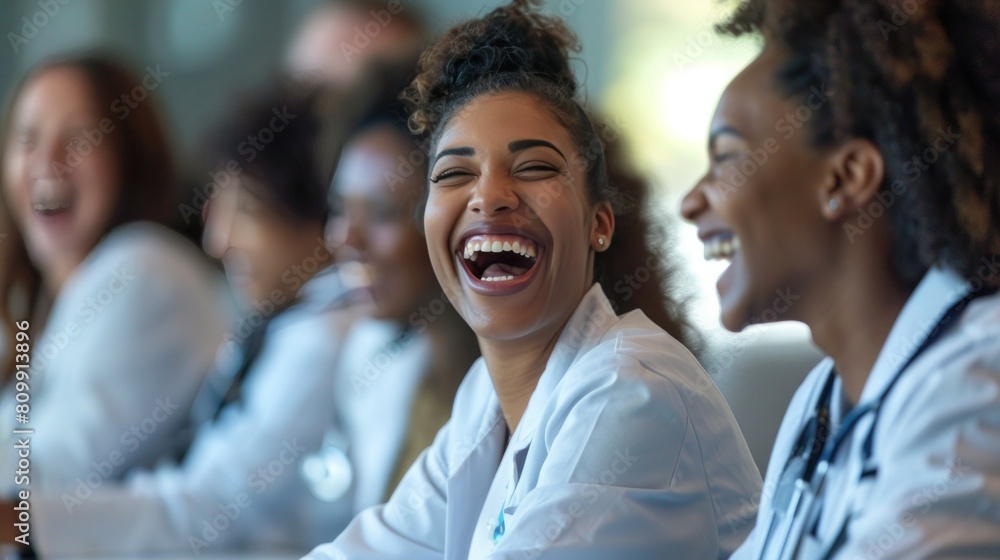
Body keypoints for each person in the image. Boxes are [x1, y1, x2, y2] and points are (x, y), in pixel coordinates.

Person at [306, 2, 761, 558]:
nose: (489, 195)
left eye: (534, 168)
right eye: (453, 173)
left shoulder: (632, 391)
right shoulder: (483, 403)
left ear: (600, 223)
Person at [681, 1, 1000, 557]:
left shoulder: (978, 379)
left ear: (847, 177)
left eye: (728, 157)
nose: (690, 202)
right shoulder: (823, 399)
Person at [7, 82, 367, 556]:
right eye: (217, 207)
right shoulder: (282, 327)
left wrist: (22, 520)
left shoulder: (320, 341)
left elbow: (208, 509)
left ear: (322, 222)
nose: (218, 241)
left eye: (247, 209)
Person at [0, 54, 224, 494]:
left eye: (80, 138)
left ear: (130, 157)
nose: (49, 161)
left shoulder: (145, 270)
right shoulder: (35, 301)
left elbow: (40, 483)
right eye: (27, 139)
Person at [317, 98, 480, 513]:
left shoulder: (511, 385)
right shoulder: (371, 353)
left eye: (383, 213)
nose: (344, 239)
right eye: (339, 209)